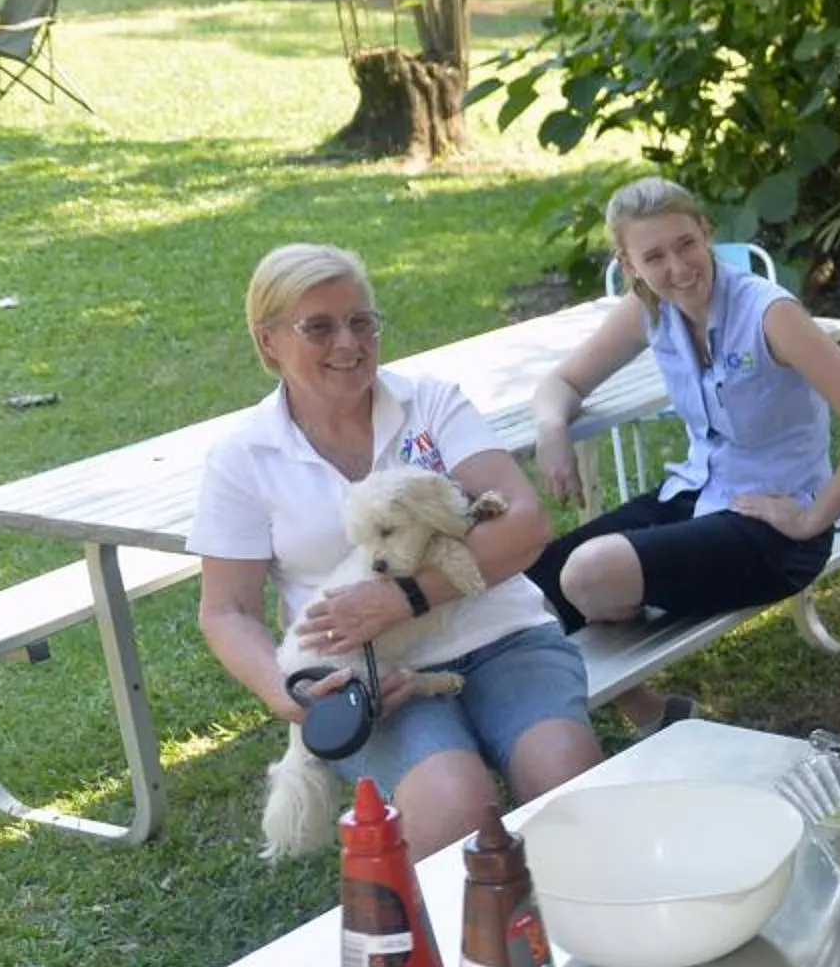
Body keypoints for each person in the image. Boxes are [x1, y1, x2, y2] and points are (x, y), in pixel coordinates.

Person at [194, 244, 606, 861]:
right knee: (453, 805)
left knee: (567, 784)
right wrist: (293, 693)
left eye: (362, 321)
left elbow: (523, 521)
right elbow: (226, 610)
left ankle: (587, 942)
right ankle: (472, 953)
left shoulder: (429, 403)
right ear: (268, 342)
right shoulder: (244, 457)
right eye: (319, 327)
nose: (349, 343)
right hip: (369, 676)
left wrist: (404, 598)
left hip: (505, 635)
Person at [527, 178, 840, 728]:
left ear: (706, 233)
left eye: (685, 244)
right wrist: (551, 427)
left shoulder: (769, 315)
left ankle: (625, 695)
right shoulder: (649, 309)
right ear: (628, 264)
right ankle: (646, 708)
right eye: (653, 256)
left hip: (774, 529)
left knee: (587, 574)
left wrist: (811, 518)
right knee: (532, 583)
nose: (677, 267)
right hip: (698, 492)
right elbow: (561, 382)